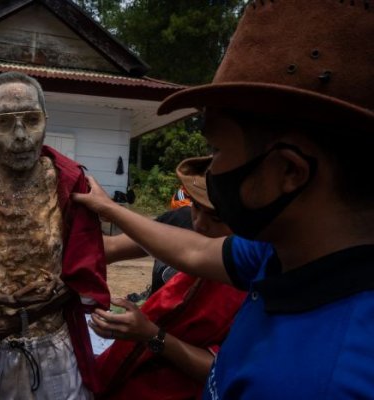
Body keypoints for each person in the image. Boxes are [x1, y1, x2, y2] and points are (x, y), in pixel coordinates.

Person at [74, 1, 374, 398]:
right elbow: (197, 252)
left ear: (289, 172)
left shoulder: (323, 381)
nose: (211, 173)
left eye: (216, 150)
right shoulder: (284, 257)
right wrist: (107, 208)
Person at [0, 72, 109, 399]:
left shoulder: (68, 180)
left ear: (45, 120)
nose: (21, 136)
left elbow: (81, 272)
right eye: (5, 122)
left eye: (31, 120)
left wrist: (21, 316)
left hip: (52, 349)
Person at [90, 156, 246, 399]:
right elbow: (107, 249)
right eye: (196, 206)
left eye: (217, 218)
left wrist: (152, 335)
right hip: (118, 375)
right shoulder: (180, 222)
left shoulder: (252, 279)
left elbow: (223, 370)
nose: (200, 224)